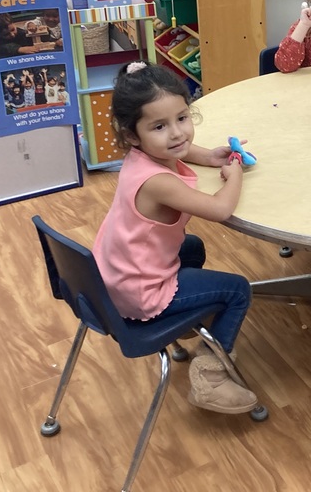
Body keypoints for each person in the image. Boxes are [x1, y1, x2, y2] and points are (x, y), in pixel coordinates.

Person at [92, 61, 257, 414]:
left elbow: (177, 151)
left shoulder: (142, 157)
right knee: (237, 289)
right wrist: (234, 174)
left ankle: (185, 324)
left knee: (192, 246)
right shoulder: (158, 183)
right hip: (139, 292)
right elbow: (219, 210)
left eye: (182, 118)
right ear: (132, 134)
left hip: (115, 276)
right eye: (160, 126)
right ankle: (210, 377)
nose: (178, 133)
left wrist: (209, 155)